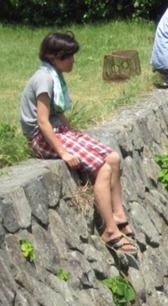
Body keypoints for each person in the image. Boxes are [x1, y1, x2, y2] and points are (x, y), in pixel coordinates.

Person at [20, 32, 137, 255]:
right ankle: (110, 232)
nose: (73, 61)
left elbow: (58, 113)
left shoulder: (54, 74)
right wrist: (64, 152)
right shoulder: (44, 79)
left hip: (58, 131)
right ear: (54, 57)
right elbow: (43, 121)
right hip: (41, 137)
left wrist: (74, 134)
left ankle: (119, 215)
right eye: (68, 57)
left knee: (112, 157)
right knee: (102, 167)